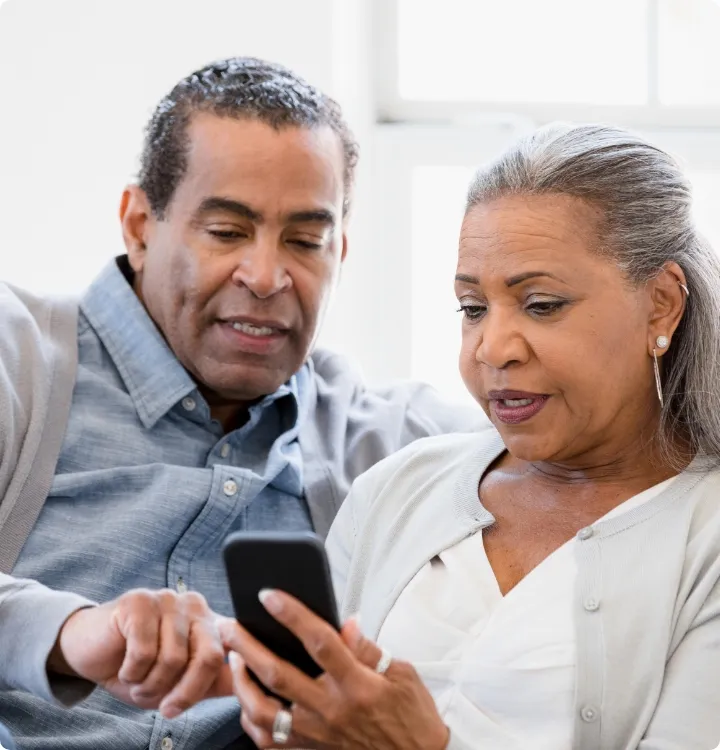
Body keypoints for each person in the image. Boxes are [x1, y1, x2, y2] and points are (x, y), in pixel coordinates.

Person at [0, 57, 484, 748]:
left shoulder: (392, 441)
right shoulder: (17, 358)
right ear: (139, 225)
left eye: (305, 241)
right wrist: (69, 632)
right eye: (227, 232)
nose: (265, 276)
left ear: (340, 252)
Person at [221, 124, 720, 750]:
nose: (492, 348)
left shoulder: (705, 537)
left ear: (662, 303)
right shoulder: (397, 489)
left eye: (541, 304)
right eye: (472, 308)